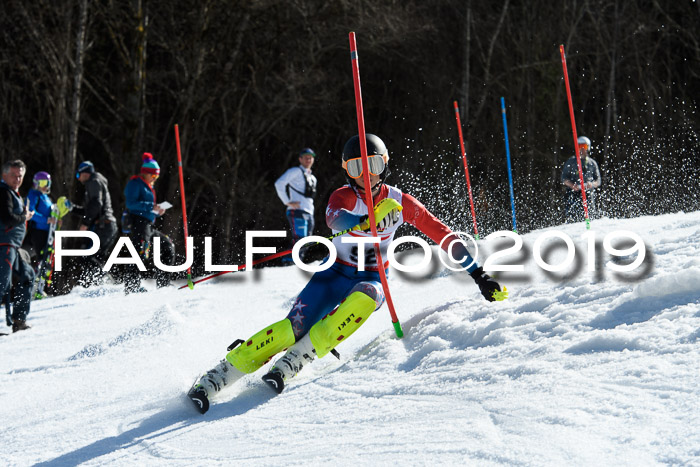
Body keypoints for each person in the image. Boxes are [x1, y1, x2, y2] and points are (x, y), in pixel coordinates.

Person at [187, 134, 508, 414]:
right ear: (346, 171)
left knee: (369, 298)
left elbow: (441, 234)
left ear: (385, 164)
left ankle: (297, 359)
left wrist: (478, 274)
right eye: (356, 168)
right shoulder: (342, 197)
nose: (366, 176)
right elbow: (334, 220)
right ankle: (219, 376)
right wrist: (362, 221)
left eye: (373, 166)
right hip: (334, 273)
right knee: (290, 329)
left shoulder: (399, 202)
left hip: (371, 277)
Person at [122, 153, 175, 293]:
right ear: (145, 173)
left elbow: (148, 207)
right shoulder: (135, 183)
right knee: (140, 251)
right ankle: (132, 287)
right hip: (138, 223)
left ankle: (163, 283)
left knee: (167, 246)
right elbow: (131, 204)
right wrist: (151, 207)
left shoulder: (148, 186)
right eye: (153, 176)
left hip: (148, 225)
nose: (155, 179)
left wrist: (157, 211)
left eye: (156, 176)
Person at [0, 160, 35, 333]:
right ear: (4, 175)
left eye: (20, 175)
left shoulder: (14, 193)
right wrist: (25, 216)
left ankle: (19, 320)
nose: (17, 179)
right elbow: (8, 218)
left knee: (27, 275)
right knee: (1, 284)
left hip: (13, 245)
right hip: (3, 244)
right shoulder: (3, 192)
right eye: (13, 175)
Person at [73, 160, 118, 283]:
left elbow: (96, 204)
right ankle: (98, 284)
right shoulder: (96, 182)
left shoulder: (93, 181)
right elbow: (90, 209)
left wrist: (85, 223)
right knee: (96, 257)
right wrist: (72, 208)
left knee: (86, 256)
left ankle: (105, 281)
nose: (78, 179)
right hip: (107, 226)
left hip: (105, 226)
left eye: (78, 175)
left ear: (85, 173)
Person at [274, 148, 318, 261]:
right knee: (300, 238)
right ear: (300, 159)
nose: (308, 159)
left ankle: (298, 261)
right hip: (297, 211)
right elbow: (279, 183)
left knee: (307, 241)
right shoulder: (295, 171)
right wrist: (287, 201)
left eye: (311, 157)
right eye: (306, 157)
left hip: (309, 212)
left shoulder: (313, 178)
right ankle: (289, 261)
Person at [561, 136, 602, 222]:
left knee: (589, 215)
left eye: (585, 146)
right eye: (579, 146)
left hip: (588, 194)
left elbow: (598, 180)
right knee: (572, 215)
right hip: (573, 193)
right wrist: (572, 185)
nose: (582, 149)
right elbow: (564, 178)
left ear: (588, 147)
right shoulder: (571, 162)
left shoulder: (592, 163)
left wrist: (592, 184)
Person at [23, 171, 57, 267]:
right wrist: (46, 220)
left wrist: (55, 221)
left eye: (48, 183)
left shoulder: (46, 197)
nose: (45, 186)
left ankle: (39, 271)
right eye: (42, 183)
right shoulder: (33, 194)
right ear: (36, 183)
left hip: (47, 233)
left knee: (46, 258)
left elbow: (51, 213)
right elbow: (30, 212)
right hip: (37, 232)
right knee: (40, 257)